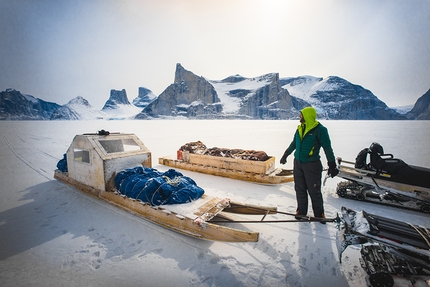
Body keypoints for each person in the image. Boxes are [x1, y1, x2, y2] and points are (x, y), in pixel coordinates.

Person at [280, 106, 338, 222]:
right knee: (300, 189)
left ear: (307, 116)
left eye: (300, 114)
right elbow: (294, 144)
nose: (299, 116)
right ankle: (301, 212)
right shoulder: (300, 128)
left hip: (312, 165)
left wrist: (332, 164)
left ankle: (319, 215)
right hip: (298, 163)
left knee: (314, 191)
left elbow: (327, 147)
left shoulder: (320, 130)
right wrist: (286, 154)